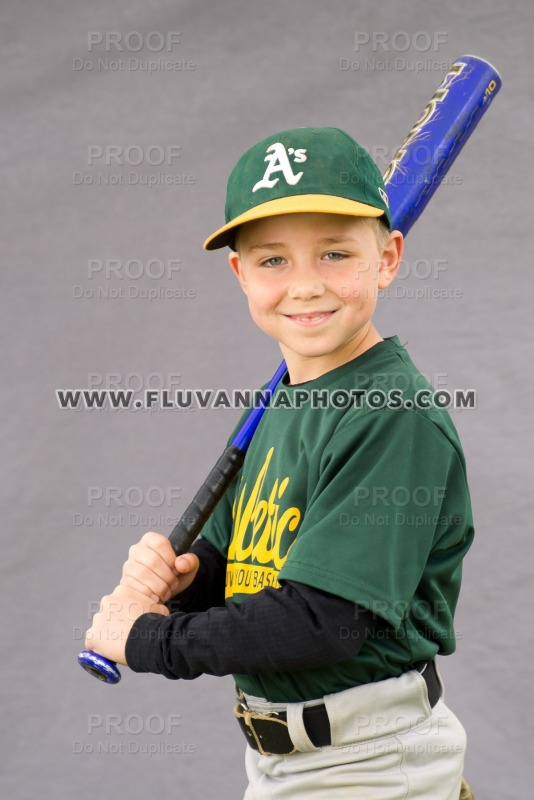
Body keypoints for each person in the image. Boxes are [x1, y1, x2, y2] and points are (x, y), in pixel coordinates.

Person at [85, 127, 475, 799]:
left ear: (387, 259)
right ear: (240, 274)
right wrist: (187, 580)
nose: (304, 286)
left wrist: (152, 640)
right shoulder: (281, 401)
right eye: (273, 261)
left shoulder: (392, 414)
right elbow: (238, 553)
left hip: (372, 764)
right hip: (284, 763)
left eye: (333, 252)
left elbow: (323, 623)